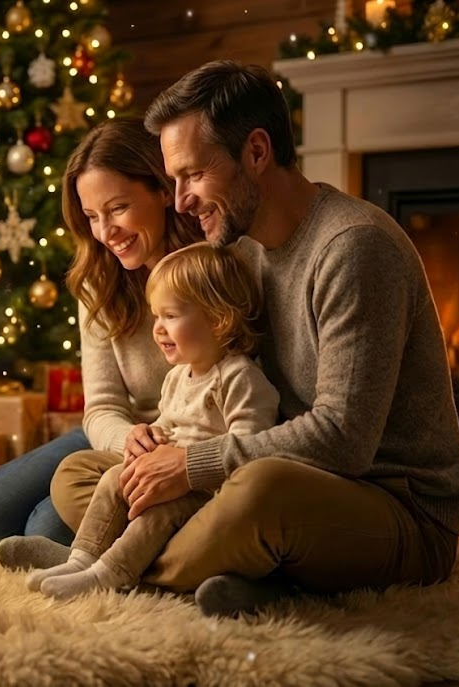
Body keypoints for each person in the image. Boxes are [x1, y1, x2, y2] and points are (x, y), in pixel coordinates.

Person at [40, 60, 459, 616]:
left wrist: (191, 465)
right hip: (276, 473)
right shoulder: (240, 251)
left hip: (393, 505)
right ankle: (248, 576)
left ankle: (121, 570)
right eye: (173, 181)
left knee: (260, 492)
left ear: (257, 151)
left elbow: (344, 440)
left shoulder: (353, 248)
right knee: (82, 475)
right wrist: (162, 449)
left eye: (193, 175)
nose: (179, 202)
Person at [0, 118, 202, 553]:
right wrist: (125, 439)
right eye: (91, 216)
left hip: (182, 439)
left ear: (161, 189)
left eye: (118, 208)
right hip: (121, 433)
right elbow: (101, 406)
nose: (105, 233)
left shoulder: (211, 271)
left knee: (43, 530)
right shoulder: (99, 280)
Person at [28, 243, 279, 599]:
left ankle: (112, 573)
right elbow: (168, 423)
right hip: (168, 478)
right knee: (115, 477)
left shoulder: (240, 378)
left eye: (171, 316)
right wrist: (149, 435)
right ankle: (82, 558)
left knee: (159, 511)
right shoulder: (178, 376)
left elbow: (250, 446)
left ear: (218, 319)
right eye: (155, 316)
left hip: (208, 492)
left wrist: (187, 466)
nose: (158, 329)